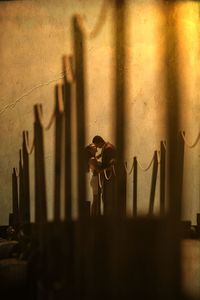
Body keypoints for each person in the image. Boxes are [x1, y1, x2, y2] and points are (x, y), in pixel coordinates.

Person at [92, 136, 116, 216]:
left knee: (106, 197)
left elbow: (112, 163)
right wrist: (97, 157)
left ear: (99, 142)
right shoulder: (107, 146)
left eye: (96, 145)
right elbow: (103, 155)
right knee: (105, 197)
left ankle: (107, 216)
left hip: (110, 177)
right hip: (108, 176)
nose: (97, 147)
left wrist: (101, 170)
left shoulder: (108, 148)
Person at [85, 143, 102, 216]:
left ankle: (94, 215)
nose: (95, 146)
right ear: (90, 150)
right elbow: (98, 169)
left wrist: (101, 154)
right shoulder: (92, 159)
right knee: (96, 200)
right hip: (96, 180)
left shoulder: (92, 158)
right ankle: (93, 216)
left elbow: (96, 159)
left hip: (95, 179)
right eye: (93, 146)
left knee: (96, 199)